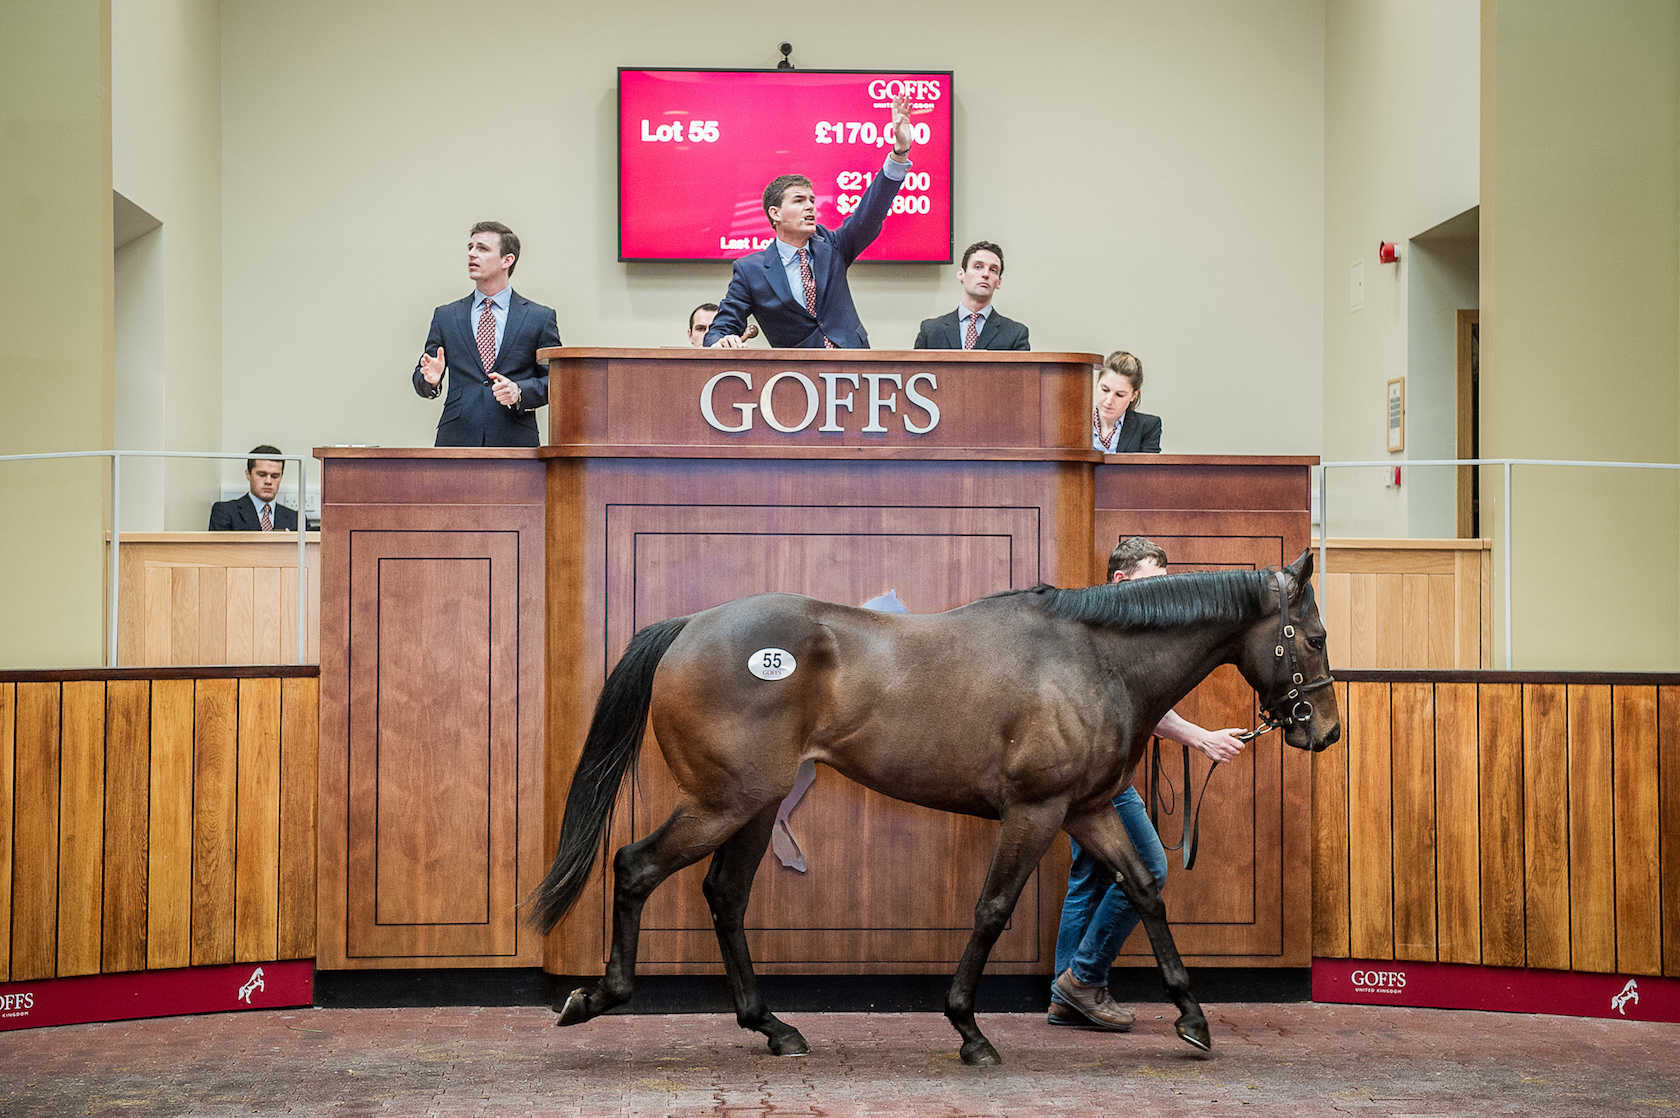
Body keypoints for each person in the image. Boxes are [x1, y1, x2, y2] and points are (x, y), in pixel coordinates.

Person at [1048, 536, 1247, 1030]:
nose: (1162, 598)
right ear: (1120, 581)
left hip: (1089, 776)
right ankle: (1083, 981)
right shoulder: (1111, 632)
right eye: (1150, 585)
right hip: (1101, 781)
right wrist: (1202, 739)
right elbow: (1145, 710)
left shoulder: (1099, 626)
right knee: (1150, 869)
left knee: (1089, 880)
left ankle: (1065, 992)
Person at [705, 94, 915, 349]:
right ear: (775, 213)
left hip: (853, 365)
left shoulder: (834, 246)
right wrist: (721, 341)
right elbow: (720, 328)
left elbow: (869, 215)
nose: (810, 207)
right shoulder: (751, 271)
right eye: (799, 200)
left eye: (812, 200)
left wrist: (899, 154)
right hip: (796, 376)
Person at [413, 221, 562, 447]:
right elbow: (422, 378)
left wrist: (520, 391)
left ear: (507, 260)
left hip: (516, 440)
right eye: (470, 247)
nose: (472, 254)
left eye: (482, 249)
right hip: (456, 439)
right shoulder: (446, 315)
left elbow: (557, 380)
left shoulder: (539, 318)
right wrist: (430, 381)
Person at [913, 241, 1030, 350]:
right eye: (978, 267)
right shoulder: (930, 331)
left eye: (993, 270)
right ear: (961, 274)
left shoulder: (1015, 334)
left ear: (999, 282)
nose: (985, 274)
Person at [208, 446, 299, 531]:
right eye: (261, 475)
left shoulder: (296, 519)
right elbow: (220, 548)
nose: (268, 481)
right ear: (248, 474)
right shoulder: (225, 512)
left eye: (275, 476)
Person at [1092, 351, 1161, 453]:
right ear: (1098, 382)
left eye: (1120, 395)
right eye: (1105, 390)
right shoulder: (1074, 422)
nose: (1109, 400)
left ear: (1133, 395)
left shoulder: (1147, 427)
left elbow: (1148, 469)